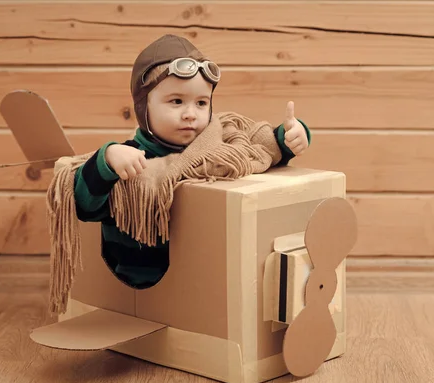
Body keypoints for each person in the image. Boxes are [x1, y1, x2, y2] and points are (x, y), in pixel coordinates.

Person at [71, 34, 311, 291]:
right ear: (143, 106)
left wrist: (287, 140)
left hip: (202, 284)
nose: (190, 114)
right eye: (176, 101)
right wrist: (106, 160)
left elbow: (258, 151)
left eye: (201, 103)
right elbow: (85, 207)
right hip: (142, 287)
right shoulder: (131, 158)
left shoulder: (220, 150)